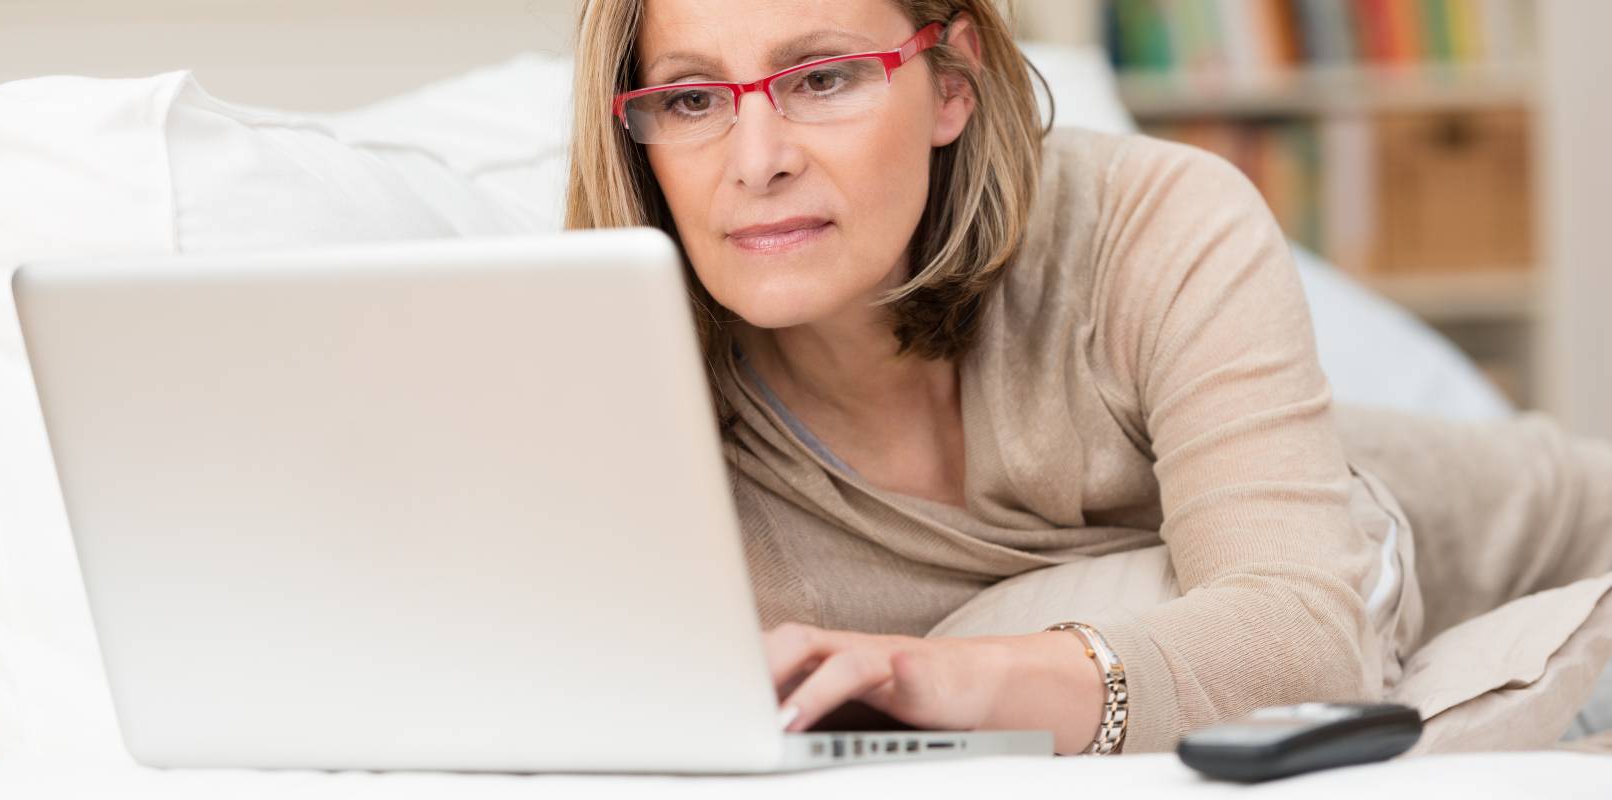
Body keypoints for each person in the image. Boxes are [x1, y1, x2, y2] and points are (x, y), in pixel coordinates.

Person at [563, 0, 1612, 755]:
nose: (756, 161)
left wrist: (960, 679)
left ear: (953, 83)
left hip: (1564, 542)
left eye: (823, 78)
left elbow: (1305, 631)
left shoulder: (1151, 223)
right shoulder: (622, 402)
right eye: (693, 98)